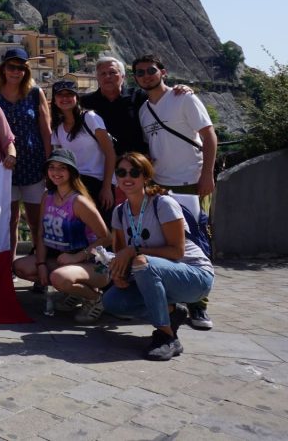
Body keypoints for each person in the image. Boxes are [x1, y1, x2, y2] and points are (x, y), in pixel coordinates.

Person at [102, 152, 215, 360]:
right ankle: (172, 311)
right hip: (154, 273)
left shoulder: (162, 204)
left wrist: (134, 251)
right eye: (121, 172)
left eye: (134, 172)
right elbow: (121, 255)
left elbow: (177, 252)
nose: (127, 177)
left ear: (146, 176)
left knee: (143, 262)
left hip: (194, 275)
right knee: (112, 301)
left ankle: (166, 336)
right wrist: (119, 274)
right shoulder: (119, 212)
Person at [133, 54, 218, 330]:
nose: (146, 76)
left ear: (163, 72)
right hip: (161, 186)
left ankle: (199, 306)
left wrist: (207, 174)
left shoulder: (184, 98)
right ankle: (177, 297)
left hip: (190, 182)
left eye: (150, 70)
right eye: (140, 73)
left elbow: (208, 135)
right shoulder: (145, 110)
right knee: (170, 244)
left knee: (197, 244)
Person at [13, 149, 112, 324]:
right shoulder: (48, 196)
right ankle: (74, 292)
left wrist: (78, 256)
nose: (56, 172)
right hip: (62, 260)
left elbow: (106, 237)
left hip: (93, 265)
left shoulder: (79, 202)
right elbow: (41, 232)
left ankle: (95, 298)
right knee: (21, 267)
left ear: (71, 171)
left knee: (59, 278)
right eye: (52, 167)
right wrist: (41, 264)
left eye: (62, 168)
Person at [0, 48, 51, 260]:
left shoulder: (35, 93)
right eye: (11, 67)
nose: (16, 72)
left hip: (34, 165)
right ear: (3, 69)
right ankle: (9, 267)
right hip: (6, 166)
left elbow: (46, 130)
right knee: (10, 220)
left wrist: (48, 163)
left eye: (21, 68)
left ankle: (40, 264)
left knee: (36, 220)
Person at [50, 79, 116, 211]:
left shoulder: (90, 118)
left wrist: (107, 187)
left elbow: (110, 153)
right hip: (72, 184)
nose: (65, 98)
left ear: (76, 97)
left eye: (69, 94)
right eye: (60, 95)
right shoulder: (58, 128)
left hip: (96, 182)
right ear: (55, 100)